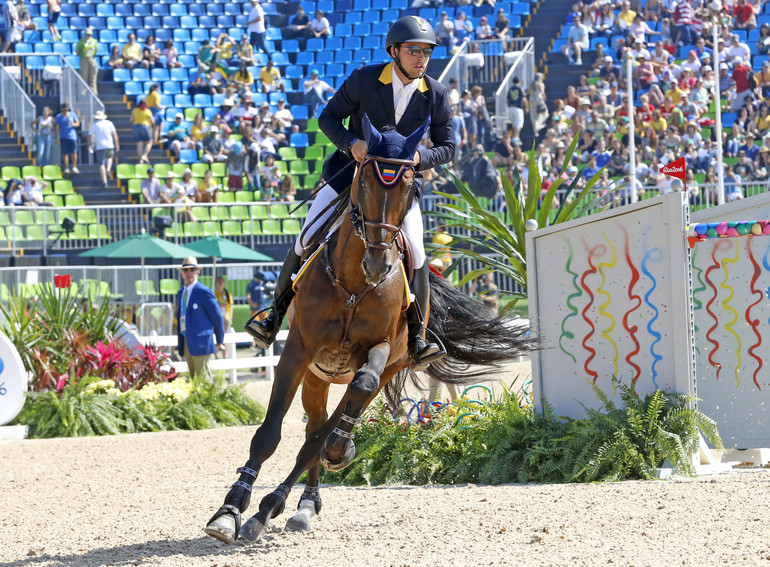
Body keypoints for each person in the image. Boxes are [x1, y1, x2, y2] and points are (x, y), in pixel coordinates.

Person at [246, 16, 453, 369]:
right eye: (414, 50)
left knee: (416, 252)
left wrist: (422, 156)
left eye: (427, 52)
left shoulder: (435, 93)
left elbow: (449, 146)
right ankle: (273, 319)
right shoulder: (364, 80)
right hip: (350, 178)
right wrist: (351, 143)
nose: (421, 58)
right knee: (306, 236)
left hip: (398, 191)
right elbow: (328, 118)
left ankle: (418, 338)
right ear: (394, 51)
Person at [176, 257, 225, 380]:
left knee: (205, 381)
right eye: (186, 270)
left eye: (192, 269)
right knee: (193, 380)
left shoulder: (204, 292)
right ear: (182, 273)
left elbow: (217, 317)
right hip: (186, 340)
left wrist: (220, 340)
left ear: (197, 272)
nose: (189, 273)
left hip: (201, 342)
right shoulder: (180, 293)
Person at [87, 110, 118, 188]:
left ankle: (105, 182)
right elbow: (114, 134)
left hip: (99, 146)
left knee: (101, 164)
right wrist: (116, 144)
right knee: (110, 157)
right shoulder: (109, 123)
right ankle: (108, 169)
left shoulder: (95, 125)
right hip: (109, 145)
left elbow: (89, 135)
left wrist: (89, 144)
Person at [54, 103, 80, 174]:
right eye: (64, 110)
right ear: (61, 109)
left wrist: (73, 124)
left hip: (72, 137)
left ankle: (74, 167)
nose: (65, 111)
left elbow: (78, 123)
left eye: (66, 110)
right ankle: (66, 167)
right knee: (65, 153)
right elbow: (57, 128)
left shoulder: (72, 114)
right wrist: (57, 138)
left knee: (74, 152)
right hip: (63, 137)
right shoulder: (59, 117)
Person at [75, 27, 99, 93]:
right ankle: (83, 90)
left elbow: (96, 50)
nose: (88, 36)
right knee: (84, 74)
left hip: (92, 58)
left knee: (93, 74)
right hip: (84, 59)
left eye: (89, 34)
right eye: (87, 34)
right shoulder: (81, 41)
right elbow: (77, 51)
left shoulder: (94, 41)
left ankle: (93, 90)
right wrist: (82, 56)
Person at [130, 99, 153, 164]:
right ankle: (145, 155)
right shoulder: (147, 111)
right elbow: (153, 121)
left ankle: (141, 160)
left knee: (139, 144)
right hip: (144, 126)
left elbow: (131, 119)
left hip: (135, 127)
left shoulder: (135, 110)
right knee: (149, 142)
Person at [507, 76, 527, 142]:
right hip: (518, 108)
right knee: (519, 123)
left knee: (514, 123)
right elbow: (523, 99)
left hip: (511, 107)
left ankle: (514, 137)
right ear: (519, 81)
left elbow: (507, 99)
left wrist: (508, 106)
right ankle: (516, 137)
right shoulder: (520, 88)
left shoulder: (510, 89)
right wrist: (526, 107)